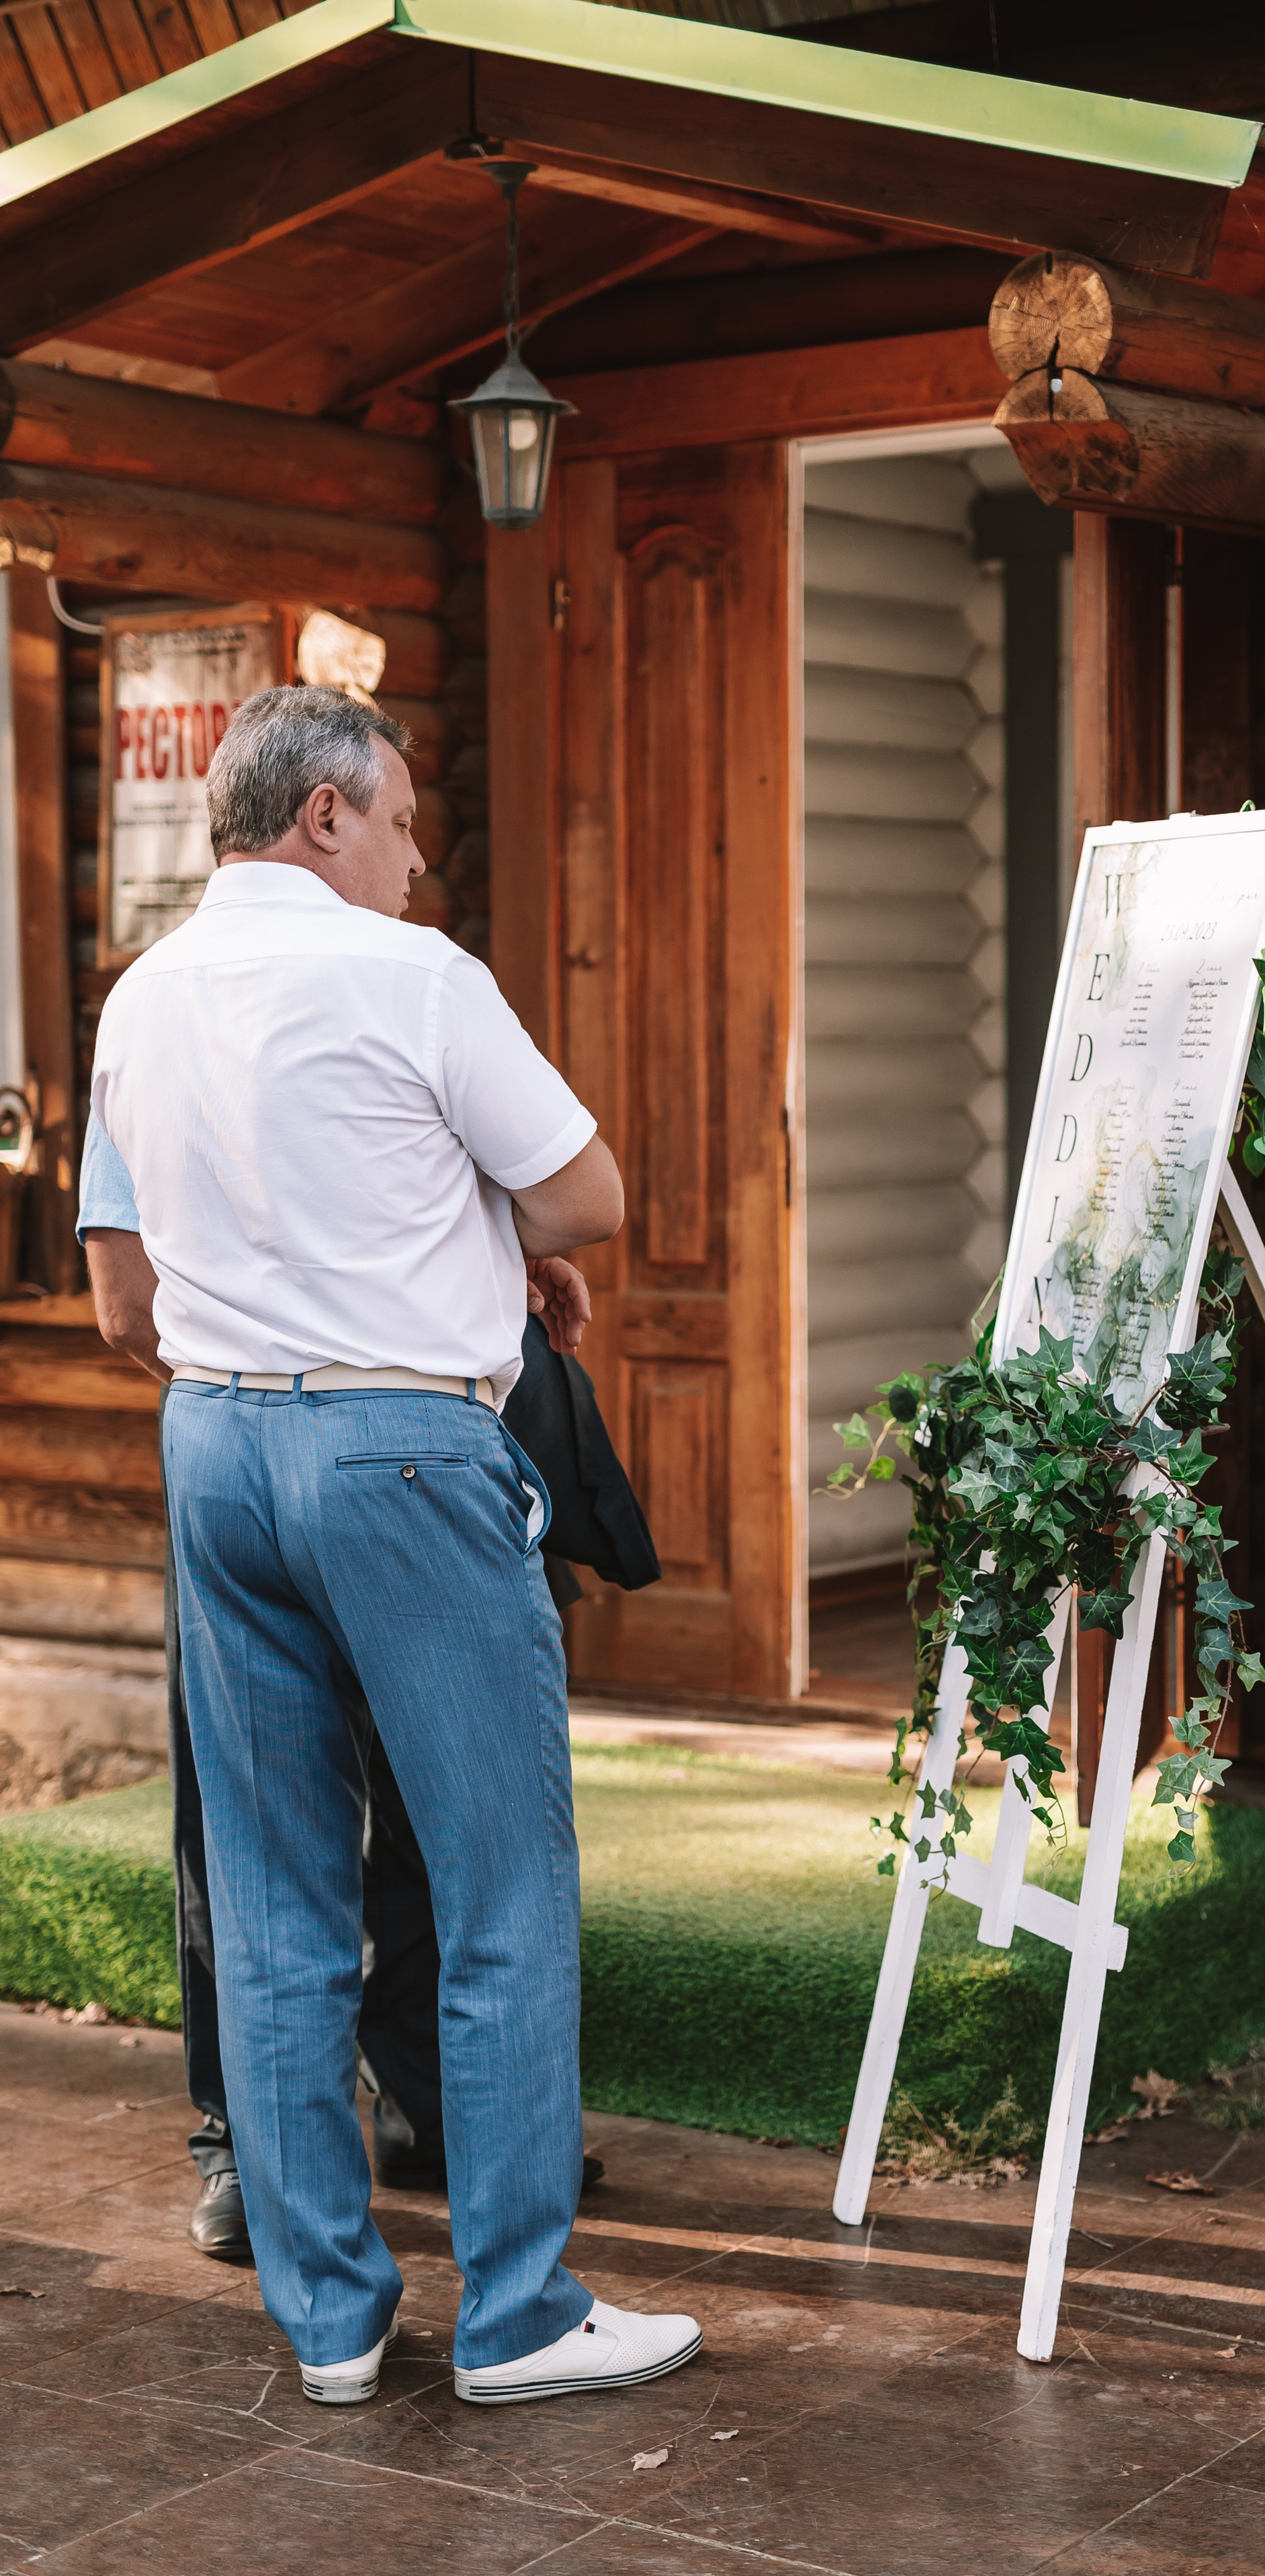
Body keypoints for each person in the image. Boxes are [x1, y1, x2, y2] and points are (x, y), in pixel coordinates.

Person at [89, 684, 700, 2407]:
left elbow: (126, 1298)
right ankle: (515, 2314)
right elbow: (590, 1194)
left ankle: (334, 2322)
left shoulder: (137, 997)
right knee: (500, 1881)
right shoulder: (412, 976)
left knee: (276, 1900)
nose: (421, 856)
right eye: (405, 819)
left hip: (215, 1443)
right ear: (323, 817)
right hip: (405, 1452)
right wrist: (478, 1244)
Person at [81, 1115, 661, 2258]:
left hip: (364, 1444)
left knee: (384, 1800)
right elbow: (125, 1301)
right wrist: (313, 1382)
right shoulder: (199, 1004)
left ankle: (408, 2113)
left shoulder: (364, 989)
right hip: (346, 1443)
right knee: (259, 1826)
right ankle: (255, 2143)